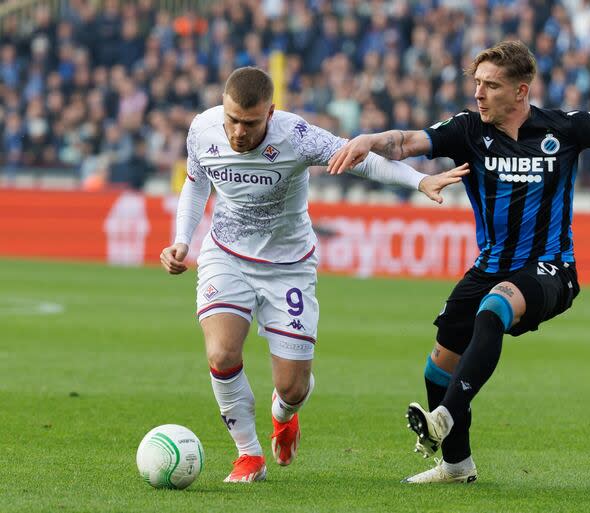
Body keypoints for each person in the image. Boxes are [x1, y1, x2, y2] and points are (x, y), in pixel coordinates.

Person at [328, 40, 590, 484]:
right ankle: (455, 464)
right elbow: (408, 141)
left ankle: (445, 414)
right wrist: (369, 139)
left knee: (495, 307)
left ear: (521, 91)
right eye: (477, 84)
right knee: (439, 365)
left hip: (550, 269)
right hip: (489, 265)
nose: (479, 94)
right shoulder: (468, 130)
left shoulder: (566, 128)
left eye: (490, 86)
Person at [160, 67, 467, 483]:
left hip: (288, 267)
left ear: (270, 112)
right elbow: (197, 183)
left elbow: (362, 161)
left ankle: (283, 417)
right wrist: (182, 239)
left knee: (293, 389)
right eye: (232, 119)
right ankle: (248, 455)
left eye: (249, 123)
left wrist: (419, 180)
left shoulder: (296, 136)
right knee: (221, 354)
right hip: (226, 255)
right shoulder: (202, 128)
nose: (237, 132)